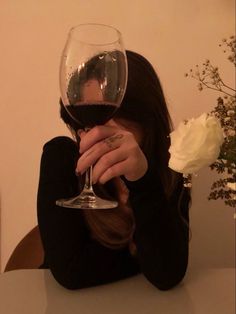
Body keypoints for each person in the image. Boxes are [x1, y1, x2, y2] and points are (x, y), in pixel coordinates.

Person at [37, 50, 191, 291]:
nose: (98, 127)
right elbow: (71, 272)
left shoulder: (171, 169)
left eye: (111, 110)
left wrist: (142, 181)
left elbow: (167, 274)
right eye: (90, 114)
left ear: (143, 111)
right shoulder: (63, 158)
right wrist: (140, 259)